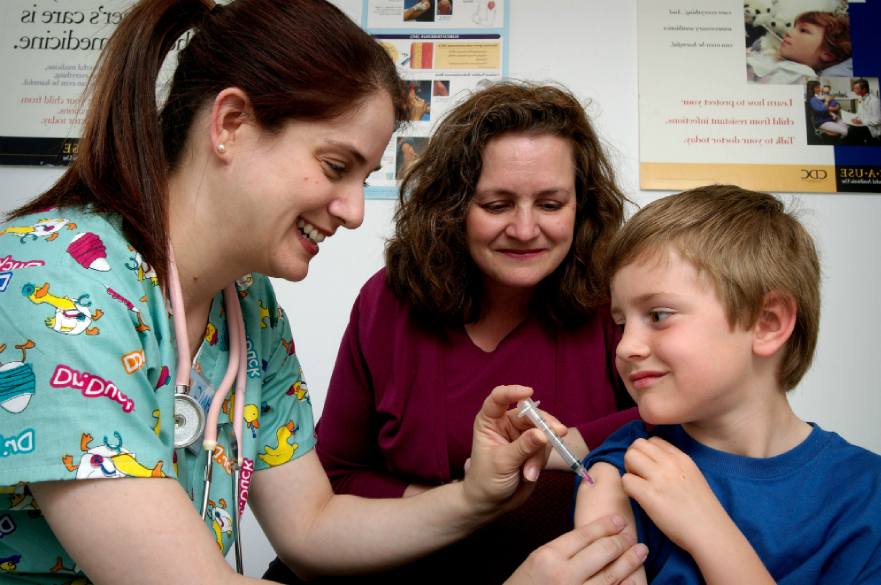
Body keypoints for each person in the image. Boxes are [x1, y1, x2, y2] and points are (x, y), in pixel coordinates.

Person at [0, 2, 647, 584]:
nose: (354, 211)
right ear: (229, 123)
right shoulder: (55, 277)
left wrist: (474, 496)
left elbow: (311, 526)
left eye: (364, 177)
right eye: (337, 167)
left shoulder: (246, 307)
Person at [265, 81, 639, 584]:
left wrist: (568, 442)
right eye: (497, 204)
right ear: (454, 207)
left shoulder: (615, 303)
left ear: (582, 207)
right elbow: (336, 476)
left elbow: (687, 422)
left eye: (550, 204)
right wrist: (462, 503)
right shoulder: (389, 302)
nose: (526, 230)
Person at [574, 185, 881, 583]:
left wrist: (708, 530)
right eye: (620, 324)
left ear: (767, 323)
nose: (626, 346)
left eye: (659, 314)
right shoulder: (628, 462)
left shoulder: (865, 493)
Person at [747, 11, 851, 84]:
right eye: (794, 27)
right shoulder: (784, 63)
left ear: (827, 54)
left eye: (803, 30)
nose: (787, 32)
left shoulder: (799, 74)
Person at [848, 78, 881, 145]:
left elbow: (878, 120)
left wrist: (862, 121)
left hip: (872, 128)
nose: (854, 90)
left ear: (864, 89)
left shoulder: (875, 101)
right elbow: (860, 113)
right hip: (864, 124)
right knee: (850, 128)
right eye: (854, 88)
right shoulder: (861, 98)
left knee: (852, 130)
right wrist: (855, 118)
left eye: (856, 88)